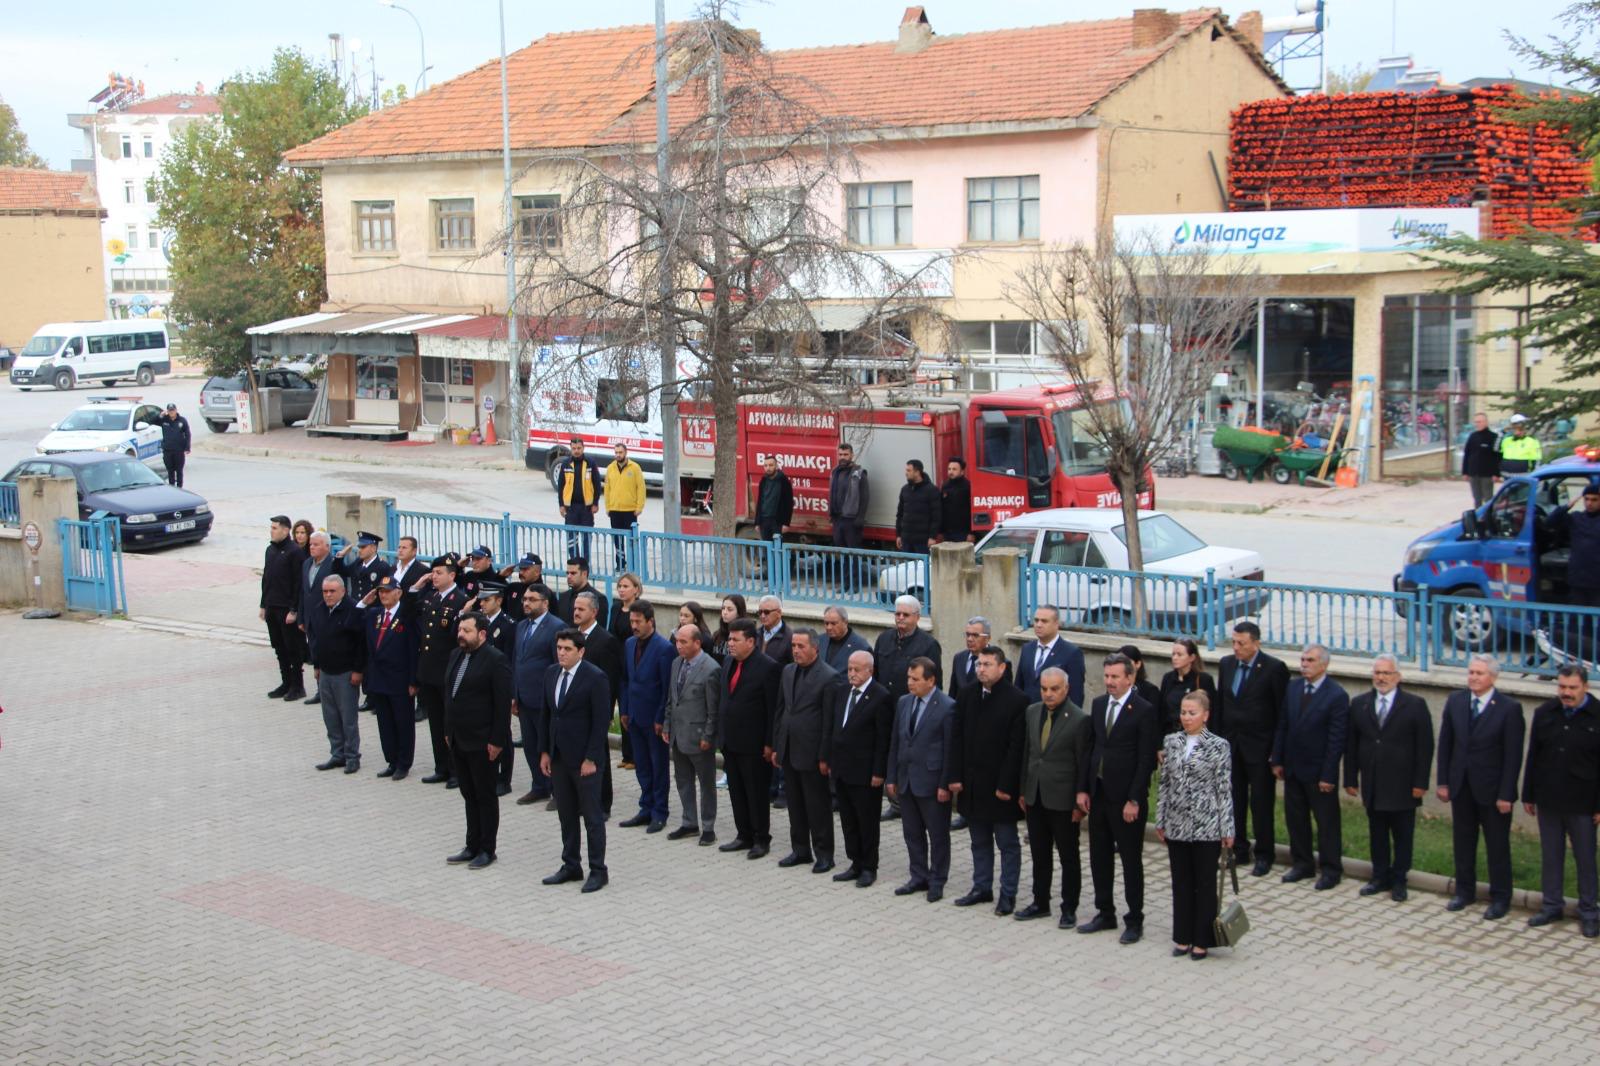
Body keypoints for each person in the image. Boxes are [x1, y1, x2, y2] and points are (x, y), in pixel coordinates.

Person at [1076, 653, 1159, 944]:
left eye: (1115, 677)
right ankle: (1105, 912)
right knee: (1099, 857)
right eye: (1107, 676)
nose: (1109, 682)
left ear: (1130, 678)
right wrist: (1084, 789)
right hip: (1099, 795)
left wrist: (1134, 799)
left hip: (1125, 800)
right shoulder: (1098, 706)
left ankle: (1134, 919)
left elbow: (1146, 759)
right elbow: (1092, 749)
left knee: (1130, 860)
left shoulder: (1144, 710)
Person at [1438, 655, 1525, 920]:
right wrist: (1443, 781)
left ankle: (1501, 897)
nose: (1474, 677)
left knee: (1497, 845)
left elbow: (1513, 756)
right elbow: (1446, 744)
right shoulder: (1456, 701)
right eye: (1471, 672)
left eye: (1480, 673)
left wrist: (1506, 794)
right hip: (1462, 786)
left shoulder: (1509, 708)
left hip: (1492, 790)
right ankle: (1464, 891)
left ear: (1493, 677)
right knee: (1463, 841)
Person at [1343, 654, 1434, 902]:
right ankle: (1379, 876)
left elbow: (1425, 747)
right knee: (1377, 833)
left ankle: (1399, 879)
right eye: (1377, 673)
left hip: (1403, 784)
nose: (1381, 678)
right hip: (1373, 782)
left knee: (1403, 835)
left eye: (1386, 673)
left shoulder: (1415, 705)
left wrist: (1420, 783)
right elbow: (1352, 744)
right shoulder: (1360, 703)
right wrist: (1350, 779)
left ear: (1398, 677)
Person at [1521, 665, 1600, 937]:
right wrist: (1529, 794)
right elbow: (1534, 756)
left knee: (1586, 858)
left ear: (1585, 687)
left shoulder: (1598, 716)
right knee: (1551, 855)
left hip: (1584, 802)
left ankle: (1589, 911)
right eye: (1562, 687)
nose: (1566, 693)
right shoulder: (1545, 714)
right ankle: (1552, 905)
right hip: (1549, 798)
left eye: (1572, 688)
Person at [1155, 691, 1234, 960]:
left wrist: (1228, 828)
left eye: (1192, 713)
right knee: (1181, 881)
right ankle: (1182, 936)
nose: (1186, 718)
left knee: (1204, 882)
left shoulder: (1219, 745)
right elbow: (1164, 783)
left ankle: (1203, 939)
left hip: (1207, 824)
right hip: (1177, 822)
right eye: (1184, 712)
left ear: (1206, 715)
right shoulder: (1172, 741)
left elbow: (1224, 789)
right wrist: (1161, 817)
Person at [950, 646, 1027, 915]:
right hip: (972, 784)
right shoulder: (967, 694)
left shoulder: (1018, 700)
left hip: (1000, 788)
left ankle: (1008, 894)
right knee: (978, 840)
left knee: (1006, 843)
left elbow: (1017, 749)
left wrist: (1007, 786)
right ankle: (981, 887)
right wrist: (955, 776)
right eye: (979, 664)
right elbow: (956, 737)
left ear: (1002, 668)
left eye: (987, 664)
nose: (981, 669)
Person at [1271, 645, 1350, 890]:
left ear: (1324, 665)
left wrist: (1328, 774)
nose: (1304, 664)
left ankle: (1330, 869)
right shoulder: (1293, 688)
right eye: (1303, 659)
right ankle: (1302, 863)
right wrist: (1278, 759)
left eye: (1310, 660)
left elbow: (1336, 740)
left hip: (1319, 773)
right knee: (1296, 819)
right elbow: (1283, 724)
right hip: (1293, 767)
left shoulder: (1336, 695)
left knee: (1326, 823)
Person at [1017, 666, 1090, 928]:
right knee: (1039, 852)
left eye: (1054, 689)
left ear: (1066, 689)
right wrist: (1024, 790)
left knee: (1068, 856)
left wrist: (1079, 803)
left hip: (1063, 799)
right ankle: (1040, 902)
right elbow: (1028, 754)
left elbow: (1083, 765)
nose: (1048, 694)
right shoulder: (1032, 711)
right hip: (1035, 795)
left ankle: (1068, 908)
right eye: (1044, 689)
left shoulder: (1079, 719)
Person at [1217, 621, 1291, 876]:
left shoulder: (1274, 669)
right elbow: (1221, 704)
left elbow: (1282, 713)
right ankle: (1238, 849)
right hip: (1232, 746)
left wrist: (1277, 751)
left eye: (1242, 643)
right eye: (1234, 642)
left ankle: (1264, 854)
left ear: (1256, 643)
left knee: (1261, 803)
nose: (1236, 648)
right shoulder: (1226, 665)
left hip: (1260, 748)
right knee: (1234, 802)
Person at [540, 628, 610, 892]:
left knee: (592, 817)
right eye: (559, 648)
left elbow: (601, 721)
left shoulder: (595, 677)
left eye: (567, 649)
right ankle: (571, 865)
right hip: (558, 756)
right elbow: (547, 716)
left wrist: (591, 757)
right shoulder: (550, 674)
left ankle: (598, 870)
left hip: (585, 760)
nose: (561, 653)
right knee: (566, 815)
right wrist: (545, 751)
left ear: (580, 651)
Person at [442, 612, 512, 870]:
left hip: (483, 741)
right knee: (468, 793)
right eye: (460, 629)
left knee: (484, 795)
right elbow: (450, 695)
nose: (461, 634)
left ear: (482, 634)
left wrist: (497, 741)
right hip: (459, 738)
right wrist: (448, 731)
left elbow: (501, 705)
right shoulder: (456, 655)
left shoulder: (496, 660)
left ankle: (487, 848)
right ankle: (471, 845)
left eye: (467, 631)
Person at [887, 657, 956, 903]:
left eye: (915, 679)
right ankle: (918, 875)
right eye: (908, 678)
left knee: (937, 835)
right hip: (906, 779)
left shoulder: (947, 706)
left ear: (931, 680)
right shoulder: (904, 702)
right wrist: (892, 776)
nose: (910, 683)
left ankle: (937, 880)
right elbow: (896, 741)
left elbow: (950, 750)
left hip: (932, 781)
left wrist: (944, 784)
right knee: (912, 832)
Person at [821, 650, 893, 888]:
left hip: (865, 773)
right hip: (842, 769)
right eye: (850, 669)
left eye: (857, 670)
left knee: (867, 821)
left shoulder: (881, 696)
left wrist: (878, 772)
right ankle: (855, 861)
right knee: (848, 819)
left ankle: (869, 866)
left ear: (870, 671)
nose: (851, 673)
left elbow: (883, 740)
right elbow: (834, 728)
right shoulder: (842, 691)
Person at [772, 629, 840, 872]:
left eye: (801, 646)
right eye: (793, 646)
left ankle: (824, 854)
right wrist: (778, 746)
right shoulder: (788, 671)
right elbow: (781, 711)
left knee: (817, 806)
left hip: (812, 753)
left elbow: (829, 721)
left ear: (815, 648)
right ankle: (800, 850)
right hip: (790, 749)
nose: (796, 651)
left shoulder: (829, 677)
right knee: (795, 804)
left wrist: (824, 756)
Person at [718, 617, 780, 858]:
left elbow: (772, 709)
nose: (730, 644)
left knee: (756, 794)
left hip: (754, 744)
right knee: (737, 792)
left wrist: (769, 743)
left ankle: (761, 838)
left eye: (735, 640)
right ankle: (743, 834)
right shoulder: (728, 662)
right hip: (730, 740)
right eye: (729, 639)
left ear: (751, 641)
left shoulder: (768, 667)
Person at [662, 623, 722, 846]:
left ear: (697, 643)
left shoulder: (711, 668)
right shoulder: (676, 663)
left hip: (699, 737)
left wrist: (708, 736)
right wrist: (668, 726)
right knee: (683, 780)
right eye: (677, 641)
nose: (678, 646)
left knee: (706, 784)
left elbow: (713, 709)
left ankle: (708, 827)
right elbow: (672, 699)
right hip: (678, 734)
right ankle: (689, 822)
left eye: (683, 642)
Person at [413, 554, 468, 789]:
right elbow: (409, 609)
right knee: (435, 722)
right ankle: (441, 767)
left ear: (452, 575)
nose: (433, 577)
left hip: (448, 672)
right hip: (430, 671)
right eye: (433, 572)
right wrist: (417, 587)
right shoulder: (431, 597)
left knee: (451, 724)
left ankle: (457, 770)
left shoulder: (460, 600)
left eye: (439, 573)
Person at [619, 600, 674, 833]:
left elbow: (665, 687)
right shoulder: (630, 644)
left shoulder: (664, 648)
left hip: (654, 719)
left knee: (658, 766)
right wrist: (624, 709)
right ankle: (646, 807)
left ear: (650, 621)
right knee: (642, 765)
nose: (634, 626)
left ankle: (659, 812)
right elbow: (625, 679)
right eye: (631, 621)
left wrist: (661, 718)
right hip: (634, 716)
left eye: (638, 622)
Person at [360, 574, 417, 780]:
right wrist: (362, 603)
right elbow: (354, 623)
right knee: (385, 723)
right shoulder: (374, 614)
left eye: (387, 591)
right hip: (379, 679)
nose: (383, 595)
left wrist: (413, 680)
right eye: (381, 591)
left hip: (400, 679)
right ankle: (391, 761)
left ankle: (404, 762)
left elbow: (412, 650)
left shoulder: (406, 615)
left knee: (403, 723)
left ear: (398, 592)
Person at [568, 590, 617, 819]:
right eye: (575, 608)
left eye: (581, 609)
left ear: (594, 612)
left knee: (599, 755)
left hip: (594, 708)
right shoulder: (569, 637)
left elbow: (611, 680)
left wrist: (606, 712)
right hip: (573, 709)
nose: (576, 612)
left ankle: (603, 803)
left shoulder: (605, 640)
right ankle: (578, 800)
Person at [310, 575, 366, 774]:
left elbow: (361, 644)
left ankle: (352, 756)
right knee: (330, 716)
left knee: (348, 718)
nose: (328, 595)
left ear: (343, 591)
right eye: (325, 591)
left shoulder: (353, 610)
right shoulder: (319, 609)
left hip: (346, 673)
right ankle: (337, 753)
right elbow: (315, 640)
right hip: (325, 671)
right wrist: (316, 666)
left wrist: (358, 670)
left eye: (332, 591)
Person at [510, 583, 559, 805]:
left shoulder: (556, 627)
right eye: (525, 599)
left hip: (544, 700)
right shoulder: (521, 626)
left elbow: (558, 666)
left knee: (548, 746)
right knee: (530, 745)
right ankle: (539, 786)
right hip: (524, 697)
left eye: (532, 599)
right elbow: (516, 660)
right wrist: (515, 693)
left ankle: (558, 790)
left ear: (545, 603)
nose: (526, 603)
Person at [470, 582, 517, 796]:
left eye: (487, 600)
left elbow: (510, 661)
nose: (483, 603)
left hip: (499, 686)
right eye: (481, 600)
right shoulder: (477, 622)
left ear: (499, 600)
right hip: (480, 686)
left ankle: (504, 778)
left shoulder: (507, 625)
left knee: (502, 732)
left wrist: (511, 692)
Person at [261, 515, 308, 701]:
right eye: (271, 527)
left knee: (292, 648)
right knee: (279, 647)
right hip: (272, 606)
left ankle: (298, 685)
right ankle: (286, 682)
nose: (271, 531)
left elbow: (298, 584)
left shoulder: (295, 552)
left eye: (275, 528)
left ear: (286, 530)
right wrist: (263, 604)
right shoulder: (270, 550)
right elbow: (266, 579)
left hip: (287, 609)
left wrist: (294, 610)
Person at [874, 595, 943, 707]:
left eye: (905, 615)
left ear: (917, 617)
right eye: (897, 614)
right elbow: (875, 673)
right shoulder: (884, 638)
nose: (900, 617)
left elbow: (935, 683)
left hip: (910, 707)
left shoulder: (929, 645)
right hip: (883, 707)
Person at [298, 532, 339, 707]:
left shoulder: (333, 565)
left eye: (316, 544)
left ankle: (333, 691)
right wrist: (301, 616)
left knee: (330, 653)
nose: (312, 547)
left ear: (327, 547)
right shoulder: (307, 563)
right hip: (310, 618)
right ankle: (320, 690)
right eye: (311, 544)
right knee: (315, 653)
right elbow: (303, 592)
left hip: (328, 618)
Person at [1015, 605, 1085, 708]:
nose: (1038, 625)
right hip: (1027, 717)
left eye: (1044, 621)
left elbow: (1076, 695)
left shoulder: (1071, 653)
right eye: (1036, 620)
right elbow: (1019, 686)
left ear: (1056, 624)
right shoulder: (1027, 649)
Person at [607, 572, 643, 769]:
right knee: (621, 710)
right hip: (617, 664)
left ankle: (636, 755)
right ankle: (627, 755)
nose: (621, 589)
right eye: (620, 586)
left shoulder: (639, 610)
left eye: (626, 586)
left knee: (631, 708)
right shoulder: (615, 607)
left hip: (633, 663)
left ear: (636, 590)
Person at [1550, 483, 1600, 608]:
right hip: (1578, 577)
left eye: (1594, 500)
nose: (1589, 503)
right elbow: (1550, 521)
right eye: (1586, 499)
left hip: (1597, 579)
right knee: (1578, 619)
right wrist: (1566, 506)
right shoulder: (1576, 518)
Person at [828, 441, 869, 588]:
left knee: (854, 554)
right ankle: (845, 583)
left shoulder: (859, 473)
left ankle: (855, 584)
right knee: (843, 555)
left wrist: (860, 518)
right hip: (838, 520)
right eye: (840, 454)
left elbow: (865, 498)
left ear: (852, 455)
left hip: (852, 521)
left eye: (846, 454)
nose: (843, 457)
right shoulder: (835, 472)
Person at [555, 438, 604, 559]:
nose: (576, 451)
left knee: (586, 537)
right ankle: (574, 561)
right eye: (574, 448)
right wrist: (561, 505)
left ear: (583, 448)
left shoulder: (590, 463)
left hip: (586, 508)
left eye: (579, 448)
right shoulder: (566, 464)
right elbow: (561, 486)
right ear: (570, 448)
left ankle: (585, 563)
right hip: (570, 507)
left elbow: (597, 484)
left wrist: (595, 503)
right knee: (571, 537)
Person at [1159, 639, 1216, 739]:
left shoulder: (1203, 679)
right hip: (1170, 735)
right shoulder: (1168, 678)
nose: (1175, 658)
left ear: (1192, 657)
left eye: (1179, 655)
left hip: (1195, 736)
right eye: (1173, 654)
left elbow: (1213, 713)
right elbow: (1161, 711)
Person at [604, 442, 646, 571]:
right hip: (615, 510)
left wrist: (639, 507)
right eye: (616, 452)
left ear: (626, 452)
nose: (618, 455)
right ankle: (620, 564)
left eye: (620, 452)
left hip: (630, 511)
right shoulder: (610, 468)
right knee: (618, 540)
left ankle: (633, 565)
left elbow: (641, 488)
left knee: (631, 540)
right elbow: (607, 489)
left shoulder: (635, 468)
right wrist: (608, 507)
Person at [895, 459, 940, 556]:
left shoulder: (932, 490)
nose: (906, 473)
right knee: (906, 569)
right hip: (906, 540)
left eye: (909, 470)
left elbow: (936, 516)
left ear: (917, 472)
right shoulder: (905, 490)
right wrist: (898, 535)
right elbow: (900, 514)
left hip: (922, 542)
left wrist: (932, 537)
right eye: (906, 470)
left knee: (922, 569)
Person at [337, 531, 394, 603]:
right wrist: (340, 556)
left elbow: (387, 591)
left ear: (373, 548)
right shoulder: (358, 563)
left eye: (363, 547)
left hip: (372, 610)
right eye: (359, 547)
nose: (360, 550)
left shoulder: (383, 567)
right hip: (355, 607)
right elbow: (341, 571)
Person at [1461, 411, 1500, 507]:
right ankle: (1477, 518)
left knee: (1488, 499)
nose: (1477, 424)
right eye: (1476, 422)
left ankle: (1487, 518)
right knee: (1477, 499)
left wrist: (1496, 473)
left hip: (1487, 475)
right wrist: (1465, 472)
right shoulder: (1472, 436)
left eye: (1479, 422)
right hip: (1473, 473)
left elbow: (1497, 457)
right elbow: (1467, 454)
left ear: (1486, 422)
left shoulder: (1493, 437)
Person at [817, 605, 871, 674]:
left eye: (833, 623)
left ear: (845, 623)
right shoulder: (819, 640)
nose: (829, 627)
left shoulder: (861, 647)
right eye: (826, 623)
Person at [502, 553, 554, 624]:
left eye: (525, 569)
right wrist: (500, 577)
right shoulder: (513, 588)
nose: (521, 572)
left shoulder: (546, 593)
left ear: (537, 572)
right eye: (520, 569)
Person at [556, 556, 608, 627]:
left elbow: (599, 630)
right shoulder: (563, 596)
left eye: (573, 573)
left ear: (584, 574)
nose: (569, 576)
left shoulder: (598, 598)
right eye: (567, 573)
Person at [948, 616, 991, 700]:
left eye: (975, 635)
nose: (970, 639)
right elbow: (953, 693)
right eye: (968, 635)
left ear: (987, 638)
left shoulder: (998, 662)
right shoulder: (959, 658)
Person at [756, 455, 794, 547]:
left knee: (778, 549)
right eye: (765, 465)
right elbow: (760, 501)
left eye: (771, 465)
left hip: (777, 522)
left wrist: (786, 523)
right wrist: (757, 522)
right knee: (766, 549)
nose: (768, 468)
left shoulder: (784, 481)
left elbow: (788, 503)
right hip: (764, 521)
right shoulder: (763, 481)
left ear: (776, 466)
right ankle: (768, 562)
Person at [936, 457, 973, 545]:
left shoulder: (968, 486)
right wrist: (941, 531)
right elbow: (942, 509)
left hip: (963, 533)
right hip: (947, 533)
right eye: (949, 469)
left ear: (962, 471)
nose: (951, 472)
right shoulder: (945, 486)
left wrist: (971, 533)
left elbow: (971, 511)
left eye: (954, 469)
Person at [158, 402, 191, 488]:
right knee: (170, 471)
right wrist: (160, 416)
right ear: (167, 411)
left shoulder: (182, 420)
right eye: (170, 411)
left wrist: (187, 447)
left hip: (179, 450)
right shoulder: (164, 420)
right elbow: (153, 421)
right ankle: (172, 487)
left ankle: (180, 487)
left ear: (176, 410)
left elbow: (187, 434)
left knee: (179, 470)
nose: (171, 412)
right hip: (167, 450)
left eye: (173, 410)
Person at [756, 595, 793, 665]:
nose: (762, 616)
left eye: (767, 612)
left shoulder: (790, 637)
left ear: (779, 613)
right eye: (760, 612)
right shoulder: (755, 634)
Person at [711, 594, 749, 662]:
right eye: (723, 608)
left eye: (730, 609)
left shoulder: (745, 635)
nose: (725, 612)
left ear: (738, 612)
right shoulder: (717, 635)